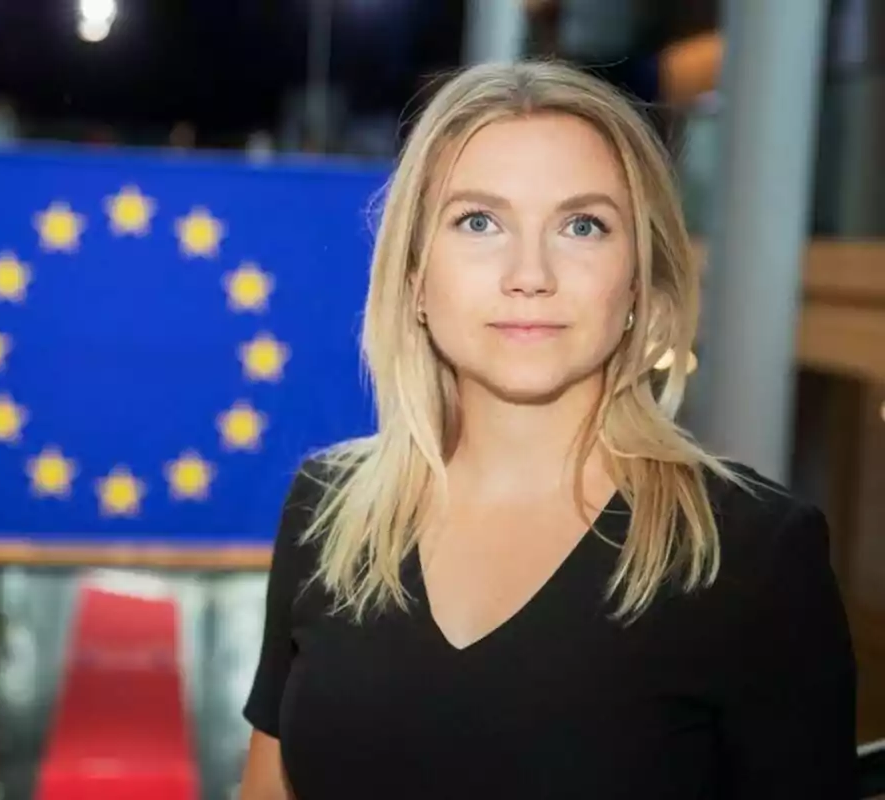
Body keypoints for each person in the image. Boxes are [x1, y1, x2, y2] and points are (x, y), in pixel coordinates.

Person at [238, 61, 857, 799]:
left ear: (637, 281)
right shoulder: (327, 509)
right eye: (479, 222)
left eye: (582, 225)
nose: (529, 273)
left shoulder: (752, 554)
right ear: (414, 279)